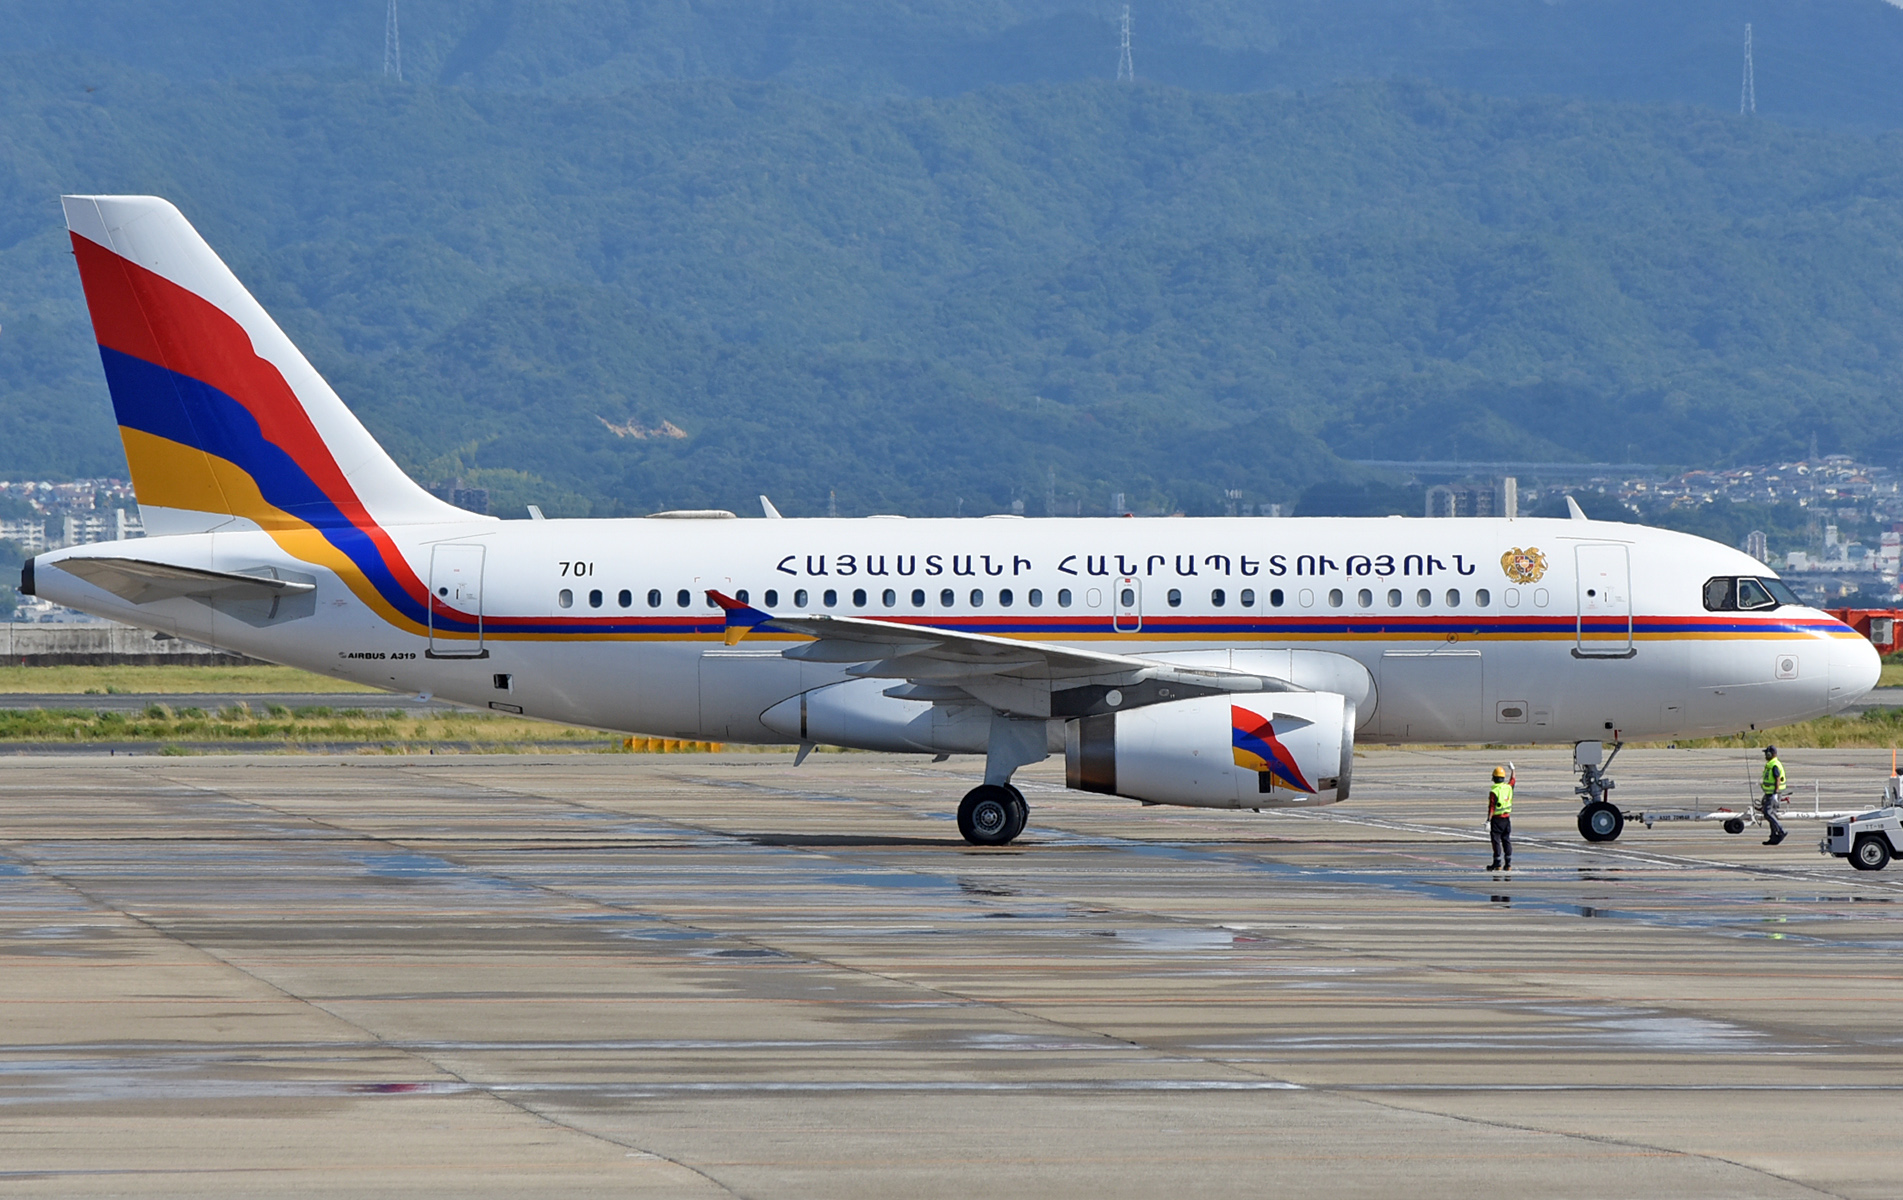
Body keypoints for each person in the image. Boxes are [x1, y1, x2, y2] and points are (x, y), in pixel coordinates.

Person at [1486, 765, 1513, 870]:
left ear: (1494, 778)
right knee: (1506, 840)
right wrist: (1513, 770)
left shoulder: (1494, 791)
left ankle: (1497, 863)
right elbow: (1513, 781)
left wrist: (1488, 820)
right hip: (1506, 819)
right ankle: (1508, 864)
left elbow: (1491, 807)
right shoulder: (1508, 788)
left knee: (1496, 841)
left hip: (1497, 819)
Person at [1760, 746, 1787, 846]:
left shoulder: (1774, 765)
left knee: (1768, 813)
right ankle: (1773, 836)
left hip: (1773, 794)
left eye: (1766, 753)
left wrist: (1775, 793)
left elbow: (1777, 779)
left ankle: (1781, 830)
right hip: (1769, 793)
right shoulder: (1771, 764)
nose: (1765, 755)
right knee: (1771, 813)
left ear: (1770, 754)